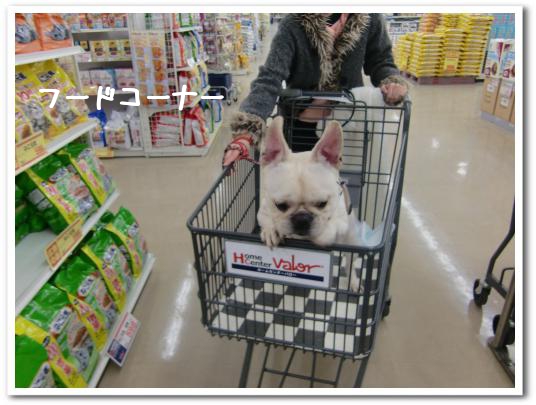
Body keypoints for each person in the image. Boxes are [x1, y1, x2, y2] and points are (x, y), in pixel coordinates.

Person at [223, 13, 409, 165]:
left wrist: (391, 81)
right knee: (303, 189)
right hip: (301, 125)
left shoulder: (369, 18)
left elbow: (381, 61)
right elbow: (270, 77)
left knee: (345, 185)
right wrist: (247, 131)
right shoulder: (293, 24)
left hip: (349, 124)